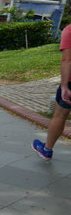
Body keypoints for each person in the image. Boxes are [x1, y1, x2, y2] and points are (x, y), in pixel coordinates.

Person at [32, 24, 71, 160]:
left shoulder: (69, 30)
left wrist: (64, 86)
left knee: (60, 115)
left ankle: (47, 149)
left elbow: (67, 60)